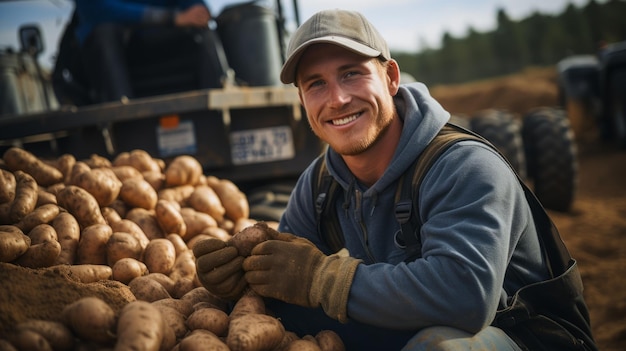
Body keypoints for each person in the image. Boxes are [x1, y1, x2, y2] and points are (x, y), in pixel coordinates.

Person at [194, 9, 595, 351]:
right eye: (316, 83)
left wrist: (321, 278)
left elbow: (465, 298)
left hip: (525, 336)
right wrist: (243, 281)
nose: (336, 99)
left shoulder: (463, 166)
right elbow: (291, 283)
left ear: (390, 77)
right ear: (302, 101)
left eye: (351, 74)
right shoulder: (318, 186)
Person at [69, 0, 228, 103]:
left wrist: (198, 12)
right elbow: (96, 10)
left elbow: (193, 5)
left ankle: (217, 108)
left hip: (166, 45)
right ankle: (122, 117)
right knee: (104, 34)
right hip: (121, 50)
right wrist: (170, 17)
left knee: (204, 34)